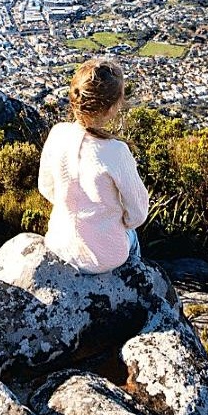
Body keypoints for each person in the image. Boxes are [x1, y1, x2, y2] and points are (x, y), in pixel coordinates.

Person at [38, 58, 150, 273]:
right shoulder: (116, 151)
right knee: (132, 239)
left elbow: (46, 187)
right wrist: (111, 222)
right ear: (111, 108)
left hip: (60, 244)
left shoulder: (58, 134)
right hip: (103, 257)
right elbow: (137, 213)